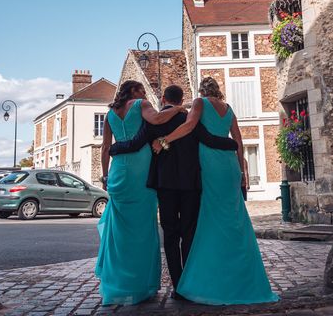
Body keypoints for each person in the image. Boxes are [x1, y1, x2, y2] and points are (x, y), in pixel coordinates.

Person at [154, 77, 279, 305]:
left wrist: (164, 140)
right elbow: (238, 141)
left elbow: (189, 126)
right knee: (234, 220)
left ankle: (212, 276)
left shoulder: (200, 103)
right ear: (219, 91)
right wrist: (242, 173)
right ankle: (240, 277)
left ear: (202, 90)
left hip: (210, 165)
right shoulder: (229, 109)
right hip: (230, 166)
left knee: (211, 220)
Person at [108, 84, 238, 297]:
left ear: (162, 99)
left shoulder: (153, 122)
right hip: (190, 184)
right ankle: (189, 281)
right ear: (181, 99)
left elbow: (135, 144)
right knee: (189, 233)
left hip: (165, 185)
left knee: (170, 234)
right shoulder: (191, 121)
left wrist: (113, 149)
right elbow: (210, 140)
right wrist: (234, 146)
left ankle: (177, 285)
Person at [95, 80, 184, 305]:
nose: (145, 93)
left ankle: (119, 284)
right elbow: (158, 118)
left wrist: (105, 176)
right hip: (141, 171)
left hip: (118, 174)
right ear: (134, 91)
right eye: (142, 90)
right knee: (143, 228)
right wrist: (179, 108)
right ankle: (142, 286)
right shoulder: (141, 104)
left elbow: (105, 148)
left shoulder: (110, 115)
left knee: (121, 231)